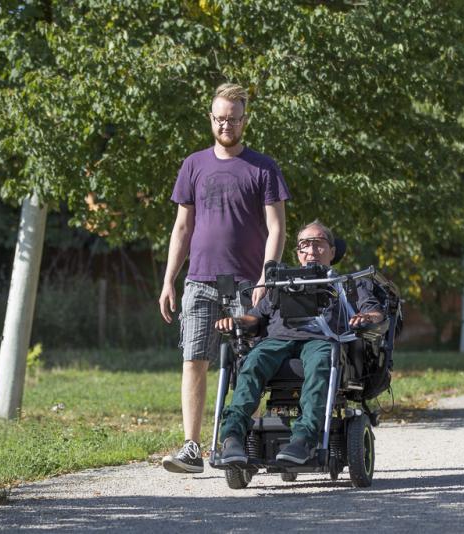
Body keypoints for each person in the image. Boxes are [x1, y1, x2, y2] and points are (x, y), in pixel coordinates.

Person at [159, 83, 290, 474]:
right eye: (219, 118)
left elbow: (277, 228)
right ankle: (192, 448)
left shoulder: (263, 167)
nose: (226, 125)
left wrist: (268, 276)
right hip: (199, 282)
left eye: (233, 118)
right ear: (211, 119)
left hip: (248, 283)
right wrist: (169, 279)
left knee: (247, 363)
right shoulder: (193, 165)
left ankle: (239, 441)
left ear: (244, 120)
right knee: (193, 359)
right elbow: (182, 228)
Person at [215, 221, 384, 465]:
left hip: (323, 341)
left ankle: (303, 439)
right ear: (297, 253)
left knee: (320, 363)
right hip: (278, 341)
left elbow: (375, 313)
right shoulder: (282, 283)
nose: (311, 251)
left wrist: (366, 317)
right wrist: (235, 322)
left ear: (332, 251)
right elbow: (256, 316)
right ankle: (231, 437)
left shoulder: (348, 284)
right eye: (305, 245)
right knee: (252, 362)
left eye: (318, 244)